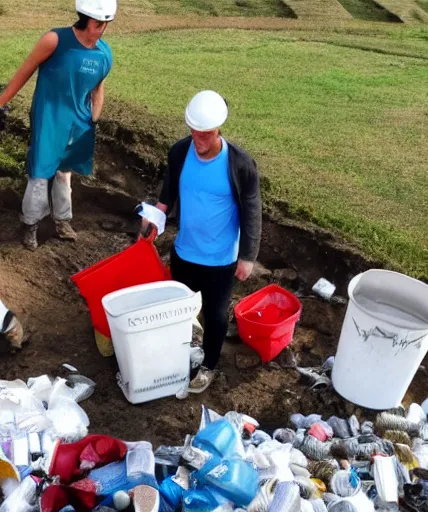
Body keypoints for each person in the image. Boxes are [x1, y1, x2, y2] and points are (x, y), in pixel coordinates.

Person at [144, 90, 262, 394]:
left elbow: (251, 212)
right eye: (194, 131)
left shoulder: (240, 165)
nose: (199, 139)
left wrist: (248, 256)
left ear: (218, 129)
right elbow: (167, 193)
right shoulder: (180, 152)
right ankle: (175, 355)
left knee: (217, 315)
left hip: (221, 260)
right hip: (185, 252)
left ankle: (208, 364)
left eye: (206, 134)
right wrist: (154, 221)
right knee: (176, 308)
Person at [0, 0, 116, 250]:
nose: (101, 29)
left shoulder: (104, 53)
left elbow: (98, 89)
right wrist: (1, 102)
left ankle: (62, 219)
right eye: (98, 24)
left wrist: (94, 119)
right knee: (41, 171)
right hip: (49, 116)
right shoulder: (55, 40)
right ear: (86, 19)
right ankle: (30, 223)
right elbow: (25, 71)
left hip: (79, 120)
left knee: (65, 172)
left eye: (104, 25)